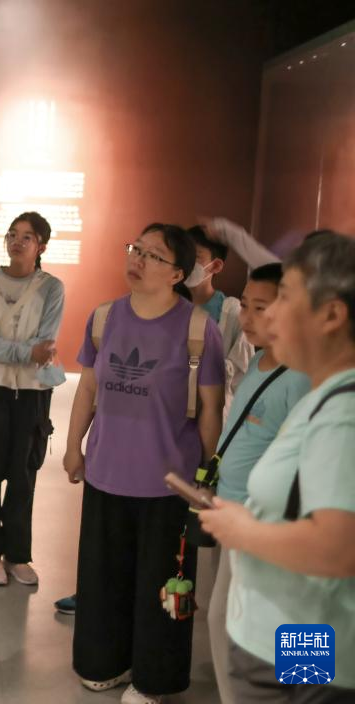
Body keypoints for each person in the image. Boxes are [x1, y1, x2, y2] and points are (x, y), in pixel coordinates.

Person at [64, 224, 225, 704]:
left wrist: (206, 474)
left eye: (154, 255)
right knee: (103, 578)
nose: (138, 259)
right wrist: (74, 446)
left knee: (162, 585)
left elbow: (211, 409)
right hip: (106, 474)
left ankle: (154, 679)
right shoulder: (104, 317)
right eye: (137, 249)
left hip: (169, 485)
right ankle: (104, 662)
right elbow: (87, 388)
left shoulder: (199, 329)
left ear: (178, 273)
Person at [199, 231, 355, 703]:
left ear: (332, 315)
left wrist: (243, 529)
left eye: (284, 298)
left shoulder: (343, 413)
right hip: (282, 628)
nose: (269, 316)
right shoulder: (324, 395)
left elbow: (335, 549)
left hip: (301, 631)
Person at [202, 263, 310, 704]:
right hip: (239, 517)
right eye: (244, 305)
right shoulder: (260, 362)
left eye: (259, 308)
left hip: (276, 527)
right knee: (226, 620)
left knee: (295, 625)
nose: (246, 318)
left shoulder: (304, 376)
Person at [0, 211, 65, 586]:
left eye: (27, 236)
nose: (17, 242)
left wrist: (0, 349)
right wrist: (25, 352)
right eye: (12, 234)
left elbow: (46, 343)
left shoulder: (51, 288)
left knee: (24, 477)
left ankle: (17, 555)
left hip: (33, 393)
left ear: (42, 246)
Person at [186, 225, 254, 398]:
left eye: (195, 256)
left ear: (215, 265)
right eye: (183, 255)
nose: (186, 262)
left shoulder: (232, 313)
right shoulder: (168, 305)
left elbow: (243, 376)